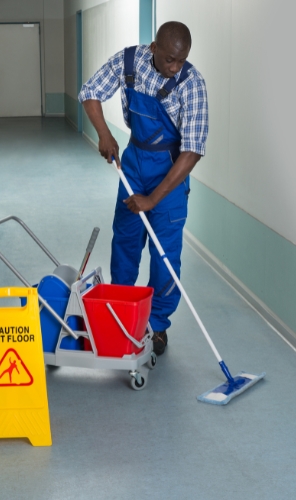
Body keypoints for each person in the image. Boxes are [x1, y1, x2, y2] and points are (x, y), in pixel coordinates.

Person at [79, 21, 208, 355]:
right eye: (169, 60)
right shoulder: (129, 62)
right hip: (135, 163)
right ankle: (122, 313)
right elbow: (90, 92)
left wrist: (153, 198)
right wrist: (104, 134)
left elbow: (192, 151)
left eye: (181, 61)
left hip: (171, 171)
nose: (175, 68)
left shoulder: (192, 84)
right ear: (154, 48)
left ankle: (158, 326)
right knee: (125, 241)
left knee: (165, 256)